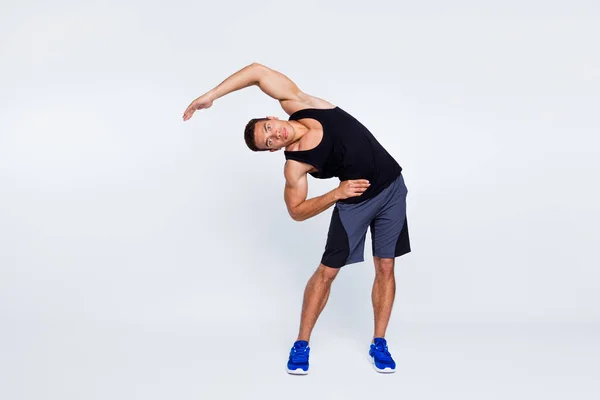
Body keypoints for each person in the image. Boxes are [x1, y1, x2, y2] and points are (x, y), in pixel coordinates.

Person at [182, 63, 411, 374]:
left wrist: (211, 95)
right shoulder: (296, 165)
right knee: (327, 273)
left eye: (268, 129)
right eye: (269, 142)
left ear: (273, 117)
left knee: (386, 265)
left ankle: (379, 342)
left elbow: (257, 71)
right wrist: (336, 194)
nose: (274, 135)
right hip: (354, 202)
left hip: (393, 188)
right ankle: (302, 343)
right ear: (273, 150)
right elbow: (296, 212)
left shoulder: (302, 103)